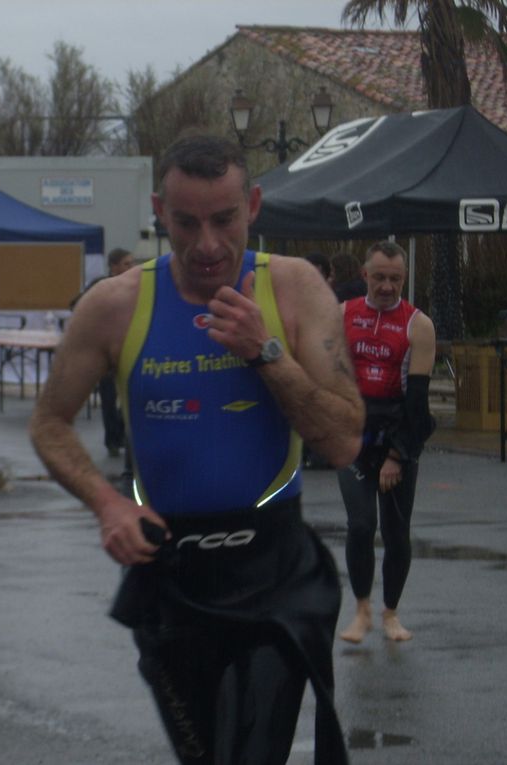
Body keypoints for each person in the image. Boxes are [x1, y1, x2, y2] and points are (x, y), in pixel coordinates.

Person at [30, 133, 363, 765]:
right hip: (172, 576)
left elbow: (343, 440)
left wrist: (266, 354)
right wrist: (108, 505)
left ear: (254, 206)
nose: (207, 244)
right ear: (160, 211)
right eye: (186, 222)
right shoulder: (115, 305)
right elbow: (49, 422)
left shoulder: (294, 290)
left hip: (273, 571)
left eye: (224, 219)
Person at [337, 240, 436, 644]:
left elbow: (418, 402)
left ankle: (390, 613)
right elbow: (331, 378)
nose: (386, 286)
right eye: (379, 277)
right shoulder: (343, 314)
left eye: (395, 279)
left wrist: (398, 455)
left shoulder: (419, 325)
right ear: (365, 276)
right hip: (355, 437)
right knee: (361, 525)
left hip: (398, 431)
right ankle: (361, 611)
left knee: (397, 535)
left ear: (404, 280)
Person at [72, 247, 136, 457]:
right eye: (127, 263)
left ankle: (121, 435)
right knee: (108, 397)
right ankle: (112, 440)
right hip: (106, 352)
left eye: (131, 263)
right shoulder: (101, 285)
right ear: (114, 266)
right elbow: (76, 304)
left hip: (128, 350)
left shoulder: (134, 286)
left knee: (129, 397)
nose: (131, 267)